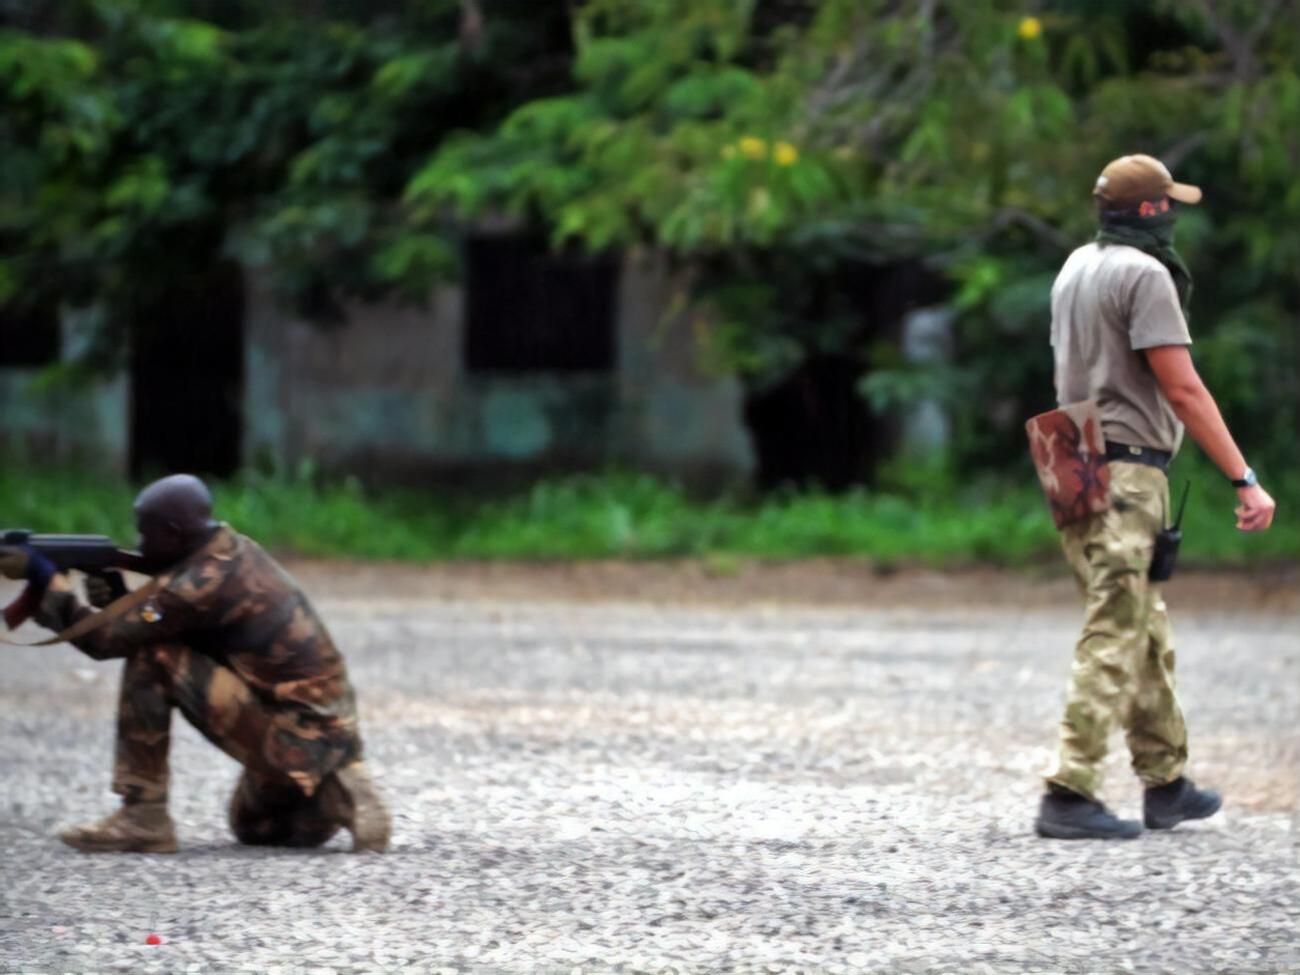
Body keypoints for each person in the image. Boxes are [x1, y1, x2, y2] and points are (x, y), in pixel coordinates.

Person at [1034, 154, 1277, 840]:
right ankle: (1069, 791)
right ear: (1148, 212)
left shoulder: (1076, 264)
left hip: (1069, 451)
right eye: (1167, 203)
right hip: (1125, 463)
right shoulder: (1145, 274)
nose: (1173, 214)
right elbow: (1182, 388)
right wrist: (1244, 477)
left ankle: (1165, 781)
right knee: (1118, 621)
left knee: (1141, 619)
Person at [0, 474, 390, 853]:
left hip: (298, 736)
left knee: (154, 658)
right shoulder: (229, 552)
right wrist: (120, 600)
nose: (138, 542)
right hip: (320, 731)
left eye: (146, 532)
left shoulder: (197, 584)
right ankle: (333, 791)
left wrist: (50, 586)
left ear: (173, 531)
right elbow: (173, 619)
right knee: (255, 827)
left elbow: (106, 640)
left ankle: (143, 816)